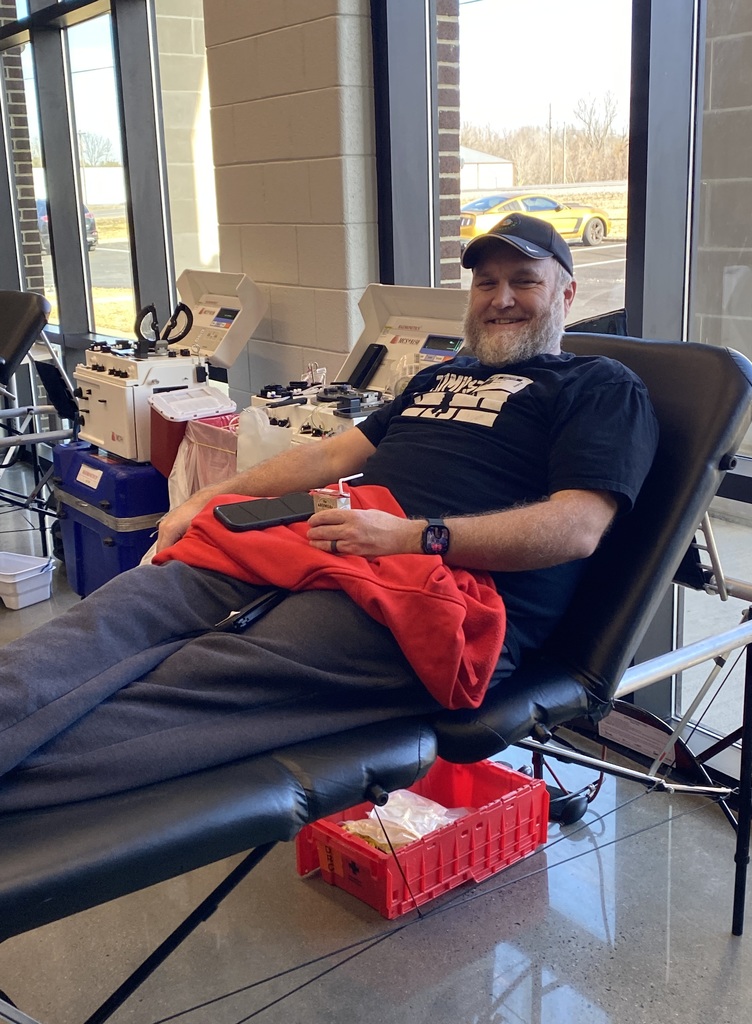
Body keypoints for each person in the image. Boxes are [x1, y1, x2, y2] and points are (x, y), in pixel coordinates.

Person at [0, 215, 658, 811]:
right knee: (130, 605)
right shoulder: (437, 377)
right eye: (486, 283)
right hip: (337, 546)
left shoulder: (600, 387)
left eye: (524, 281)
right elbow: (329, 456)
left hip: (439, 597)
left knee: (195, 679)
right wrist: (210, 498)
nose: (501, 298)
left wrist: (412, 537)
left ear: (567, 294)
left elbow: (578, 526)